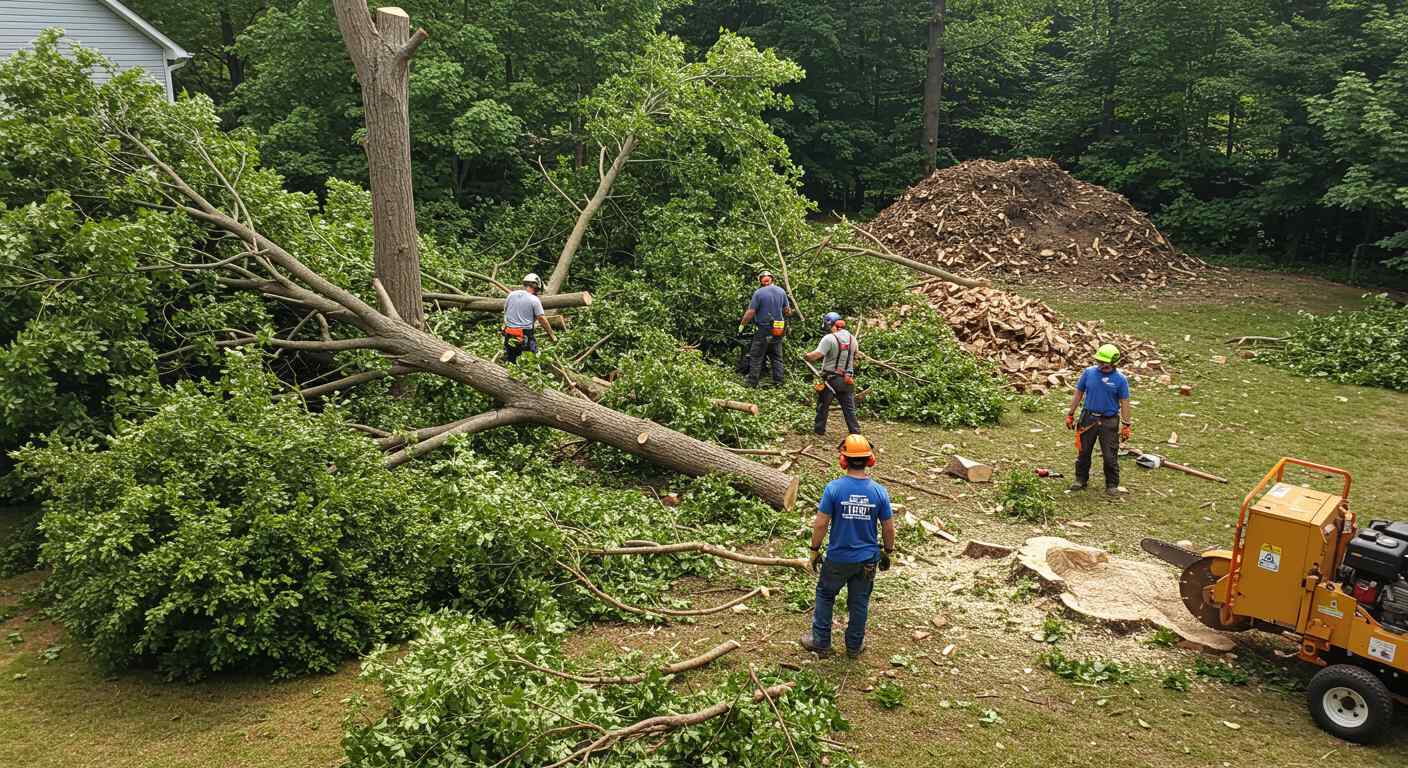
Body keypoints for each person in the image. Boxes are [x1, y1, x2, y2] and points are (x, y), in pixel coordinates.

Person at [800, 435, 896, 659]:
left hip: (838, 558)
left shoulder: (833, 489)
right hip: (867, 560)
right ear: (870, 460)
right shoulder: (879, 491)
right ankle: (854, 646)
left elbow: (821, 523)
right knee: (859, 601)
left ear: (843, 459)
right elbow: (889, 528)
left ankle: (821, 642)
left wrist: (814, 550)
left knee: (825, 595)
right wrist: (888, 551)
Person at [1064, 343, 1132, 496]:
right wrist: (1070, 414)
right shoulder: (1088, 373)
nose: (1101, 365)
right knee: (1083, 452)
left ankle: (1112, 484)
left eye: (1105, 363)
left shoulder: (1121, 380)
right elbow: (1078, 393)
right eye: (1099, 362)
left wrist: (1126, 424)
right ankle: (1080, 479)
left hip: (1109, 421)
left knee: (1110, 455)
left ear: (1114, 363)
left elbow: (1125, 402)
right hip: (1088, 418)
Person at [806, 312, 861, 436]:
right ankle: (855, 432)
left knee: (823, 406)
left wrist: (806, 356)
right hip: (847, 379)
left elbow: (816, 355)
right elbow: (856, 356)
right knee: (849, 409)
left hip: (830, 379)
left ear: (830, 324)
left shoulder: (829, 338)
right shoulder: (852, 338)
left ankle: (819, 430)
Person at [737, 270, 790, 387]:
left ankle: (752, 383)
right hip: (778, 328)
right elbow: (787, 311)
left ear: (761, 281)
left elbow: (751, 312)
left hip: (764, 328)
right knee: (776, 356)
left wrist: (742, 325)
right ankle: (779, 382)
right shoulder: (781, 291)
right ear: (772, 279)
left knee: (756, 355)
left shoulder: (759, 293)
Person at [501, 272, 557, 363]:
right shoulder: (534, 300)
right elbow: (542, 319)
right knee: (534, 359)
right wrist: (551, 334)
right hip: (525, 334)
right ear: (536, 286)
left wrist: (504, 325)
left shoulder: (511, 295)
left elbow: (505, 311)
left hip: (509, 332)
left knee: (512, 360)